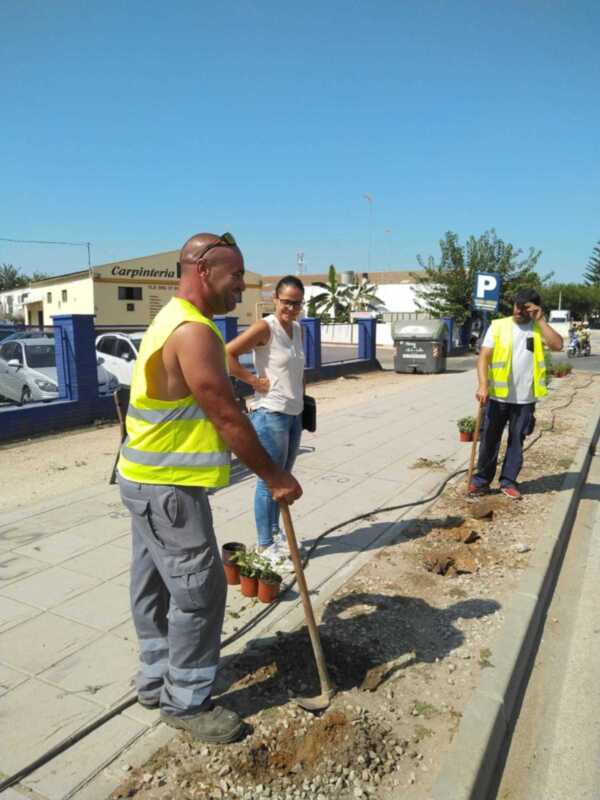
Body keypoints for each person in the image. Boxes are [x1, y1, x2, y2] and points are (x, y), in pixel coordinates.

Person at [117, 233, 302, 744]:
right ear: (203, 270)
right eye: (235, 275)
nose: (242, 286)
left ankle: (155, 678)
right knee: (200, 591)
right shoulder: (194, 333)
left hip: (146, 480)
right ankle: (186, 701)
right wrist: (275, 476)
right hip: (167, 489)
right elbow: (225, 414)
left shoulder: (171, 319)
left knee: (153, 583)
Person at [226, 276, 305, 562]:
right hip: (270, 413)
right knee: (268, 481)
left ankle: (274, 532)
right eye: (286, 302)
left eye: (297, 303)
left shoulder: (297, 329)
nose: (291, 308)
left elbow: (296, 371)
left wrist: (303, 400)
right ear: (275, 299)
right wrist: (252, 380)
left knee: (282, 478)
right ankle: (264, 544)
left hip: (293, 414)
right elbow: (227, 354)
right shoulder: (265, 327)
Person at [469, 288, 563, 500]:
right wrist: (483, 385)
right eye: (517, 306)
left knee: (516, 442)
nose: (519, 310)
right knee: (489, 440)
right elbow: (484, 357)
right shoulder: (498, 326)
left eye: (524, 307)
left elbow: (558, 345)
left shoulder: (538, 328)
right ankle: (481, 481)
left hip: (525, 399)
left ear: (534, 308)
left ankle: (508, 481)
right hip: (497, 396)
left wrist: (541, 320)